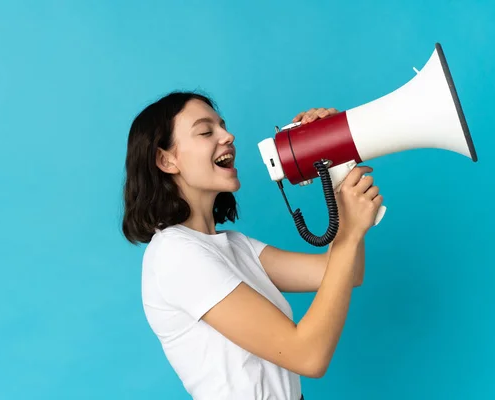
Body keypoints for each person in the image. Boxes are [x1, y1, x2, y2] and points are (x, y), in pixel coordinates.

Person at [121, 91, 383, 400]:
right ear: (166, 160)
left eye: (223, 126)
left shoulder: (233, 245)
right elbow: (308, 355)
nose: (228, 136)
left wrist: (337, 164)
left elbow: (346, 272)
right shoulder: (175, 254)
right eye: (206, 131)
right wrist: (349, 232)